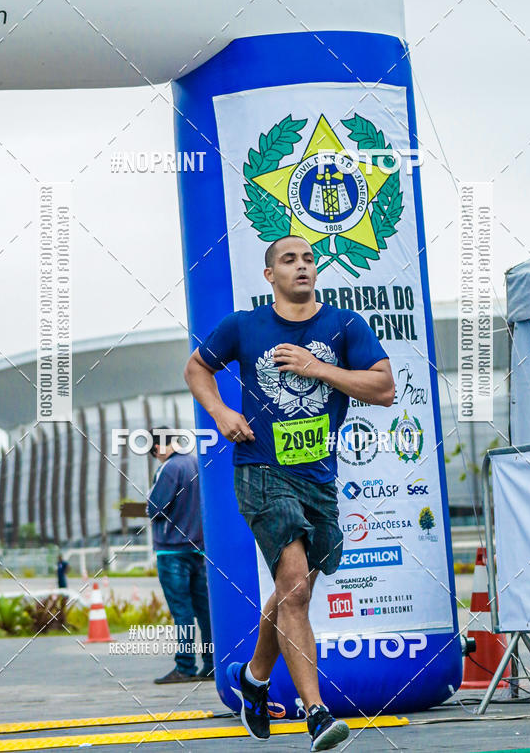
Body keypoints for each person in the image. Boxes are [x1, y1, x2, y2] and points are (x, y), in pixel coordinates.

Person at [184, 235, 394, 752]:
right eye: (288, 260)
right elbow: (196, 368)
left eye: (307, 259)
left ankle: (254, 678)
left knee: (296, 587)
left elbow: (384, 389)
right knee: (296, 585)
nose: (300, 266)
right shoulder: (244, 326)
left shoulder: (345, 326)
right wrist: (222, 413)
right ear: (269, 275)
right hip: (260, 471)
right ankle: (316, 714)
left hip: (318, 476)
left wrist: (317, 367)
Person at [146, 425, 214, 683]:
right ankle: (210, 664)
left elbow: (155, 508)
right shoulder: (197, 463)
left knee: (182, 611)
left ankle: (184, 666)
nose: (157, 456)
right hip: (199, 548)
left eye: (154, 452)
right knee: (204, 610)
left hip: (172, 550)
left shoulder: (170, 468)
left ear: (159, 446)